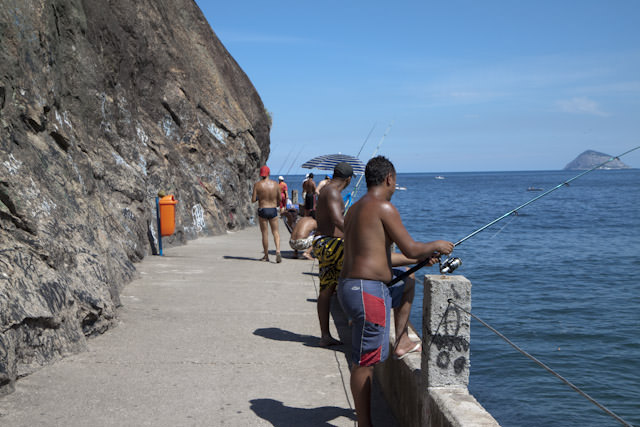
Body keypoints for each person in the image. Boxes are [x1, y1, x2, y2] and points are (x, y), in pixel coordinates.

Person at [338, 156, 454, 427]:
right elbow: (412, 248)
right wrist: (437, 244)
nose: (395, 185)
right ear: (389, 178)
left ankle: (401, 341)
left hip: (350, 288)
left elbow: (377, 256)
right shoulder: (384, 207)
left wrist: (419, 260)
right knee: (364, 362)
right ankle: (365, 424)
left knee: (406, 283)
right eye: (395, 180)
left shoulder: (354, 209)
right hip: (368, 293)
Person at [312, 162, 353, 347]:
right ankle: (356, 322)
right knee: (358, 277)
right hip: (332, 244)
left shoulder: (326, 190)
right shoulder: (334, 192)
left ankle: (325, 335)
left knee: (326, 290)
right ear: (349, 179)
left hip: (322, 243)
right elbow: (337, 220)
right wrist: (358, 233)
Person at [251, 165, 282, 263]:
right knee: (276, 232)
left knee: (265, 234)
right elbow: (280, 199)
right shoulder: (276, 184)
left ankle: (266, 256)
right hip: (272, 209)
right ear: (269, 173)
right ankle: (277, 251)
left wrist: (259, 198)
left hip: (263, 209)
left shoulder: (257, 185)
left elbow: (253, 200)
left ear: (261, 174)